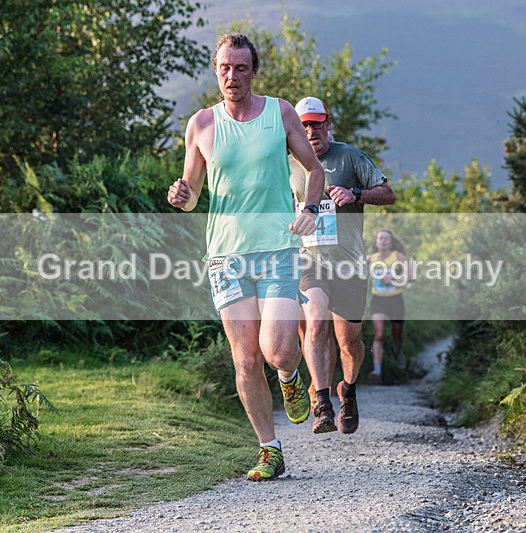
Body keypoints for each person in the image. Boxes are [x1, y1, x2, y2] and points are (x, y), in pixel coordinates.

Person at [166, 34, 325, 481]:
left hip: (278, 248)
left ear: (253, 71)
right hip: (226, 255)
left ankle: (291, 378)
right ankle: (269, 449)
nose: (231, 76)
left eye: (240, 68)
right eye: (224, 68)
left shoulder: (281, 112)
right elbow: (193, 194)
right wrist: (180, 196)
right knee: (246, 359)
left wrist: (310, 209)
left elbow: (315, 170)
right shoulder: (201, 124)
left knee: (278, 350)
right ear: (215, 70)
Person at [289, 96, 395, 434]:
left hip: (349, 265)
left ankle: (346, 389)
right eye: (303, 125)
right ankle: (322, 402)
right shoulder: (287, 163)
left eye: (316, 124)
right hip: (310, 262)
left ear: (327, 123)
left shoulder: (349, 157)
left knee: (350, 343)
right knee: (316, 320)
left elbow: (388, 193)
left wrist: (356, 194)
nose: (310, 131)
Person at [367, 228, 409, 383]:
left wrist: (392, 280)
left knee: (396, 334)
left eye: (386, 238)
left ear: (391, 242)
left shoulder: (398, 257)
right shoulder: (370, 258)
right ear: (377, 242)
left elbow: (410, 277)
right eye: (380, 238)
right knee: (379, 334)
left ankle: (397, 350)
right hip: (378, 300)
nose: (383, 241)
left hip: (396, 300)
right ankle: (377, 370)